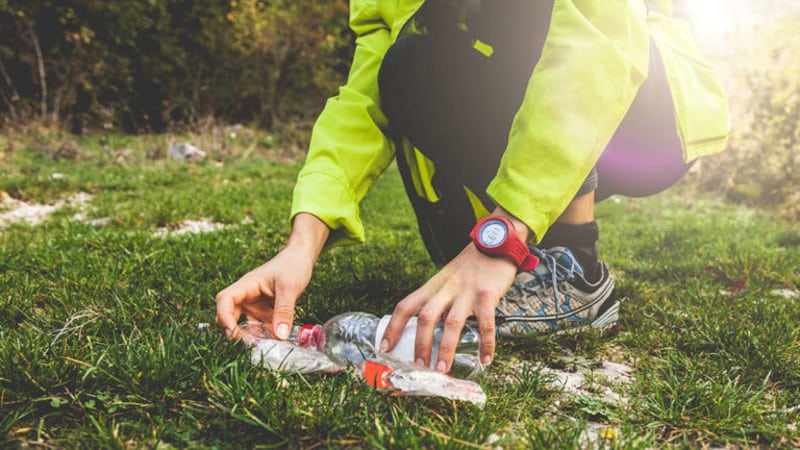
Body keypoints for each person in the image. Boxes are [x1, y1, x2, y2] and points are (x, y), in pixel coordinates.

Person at [216, 0, 729, 374]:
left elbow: (600, 33)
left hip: (645, 111)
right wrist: (301, 245)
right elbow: (366, 91)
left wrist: (503, 233)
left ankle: (576, 265)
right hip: (530, 102)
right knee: (406, 61)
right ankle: (526, 256)